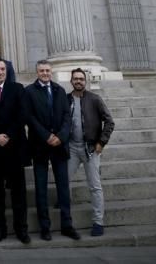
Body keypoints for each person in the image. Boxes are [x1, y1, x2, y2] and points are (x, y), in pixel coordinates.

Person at [25, 59, 80, 241]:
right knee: (41, 188)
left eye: (48, 70)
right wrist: (46, 136)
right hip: (40, 145)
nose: (45, 73)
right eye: (42, 71)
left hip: (59, 146)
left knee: (63, 187)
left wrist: (61, 136)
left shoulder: (59, 90)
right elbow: (30, 118)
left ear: (52, 71)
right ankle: (45, 227)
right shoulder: (29, 91)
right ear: (37, 72)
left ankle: (67, 225)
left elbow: (66, 116)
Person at [0, 59, 30, 244]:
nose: (0, 72)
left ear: (7, 71)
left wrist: (8, 135)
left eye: (3, 69)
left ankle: (21, 230)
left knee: (19, 193)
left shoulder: (18, 89)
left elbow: (23, 114)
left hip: (14, 148)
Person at [68, 67, 115, 237]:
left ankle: (98, 222)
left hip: (90, 149)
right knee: (63, 181)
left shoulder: (94, 99)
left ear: (85, 81)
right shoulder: (66, 99)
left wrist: (101, 142)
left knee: (95, 186)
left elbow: (110, 122)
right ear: (71, 81)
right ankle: (66, 218)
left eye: (81, 79)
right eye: (75, 79)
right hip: (72, 148)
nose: (78, 81)